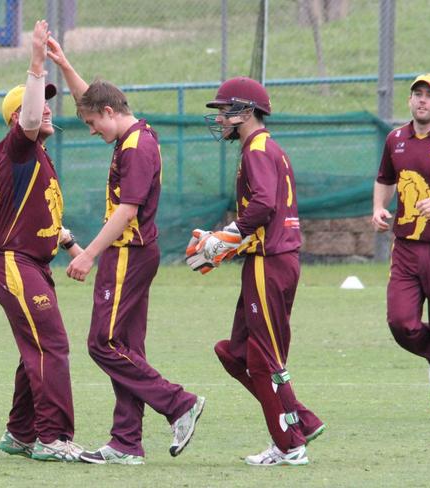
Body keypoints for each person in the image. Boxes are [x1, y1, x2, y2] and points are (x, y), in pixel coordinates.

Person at [45, 36, 205, 465]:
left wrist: (87, 253)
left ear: (111, 114)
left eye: (93, 124)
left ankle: (179, 403)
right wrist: (64, 65)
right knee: (126, 349)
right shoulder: (134, 131)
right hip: (135, 253)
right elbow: (90, 100)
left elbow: (128, 209)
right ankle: (126, 443)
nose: (92, 130)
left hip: (127, 253)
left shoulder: (135, 147)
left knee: (102, 343)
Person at [194, 76, 325, 466]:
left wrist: (229, 235)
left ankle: (289, 444)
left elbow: (265, 204)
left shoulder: (256, 149)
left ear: (246, 111)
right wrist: (228, 242)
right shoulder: (265, 147)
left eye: (225, 111)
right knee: (234, 352)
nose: (220, 120)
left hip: (270, 263)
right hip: (270, 260)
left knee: (265, 358)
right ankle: (300, 419)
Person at [0, 20, 85, 462]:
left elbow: (45, 217)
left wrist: (70, 243)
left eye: (48, 103)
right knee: (52, 344)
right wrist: (37, 62)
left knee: (38, 346)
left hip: (31, 263)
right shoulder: (17, 148)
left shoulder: (39, 158)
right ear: (15, 119)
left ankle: (21, 433)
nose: (46, 109)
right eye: (37, 104)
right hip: (14, 263)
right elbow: (27, 116)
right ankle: (53, 437)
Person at [371, 73, 430, 422]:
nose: (422, 100)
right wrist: (378, 208)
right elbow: (385, 178)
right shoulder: (396, 139)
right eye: (417, 94)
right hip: (406, 245)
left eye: (429, 96)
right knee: (400, 321)